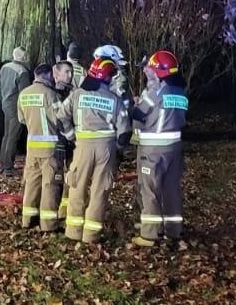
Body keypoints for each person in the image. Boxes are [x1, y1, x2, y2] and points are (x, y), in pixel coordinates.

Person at [62, 46, 130, 243]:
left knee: (76, 186)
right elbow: (124, 132)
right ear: (108, 77)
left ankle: (73, 231)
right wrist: (116, 148)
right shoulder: (114, 99)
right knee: (100, 190)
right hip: (106, 148)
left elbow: (61, 116)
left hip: (82, 145)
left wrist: (71, 136)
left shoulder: (77, 94)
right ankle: (91, 234)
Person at [130, 50, 189, 247]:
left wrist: (136, 102)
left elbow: (138, 114)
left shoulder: (155, 94)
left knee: (150, 190)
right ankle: (173, 230)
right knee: (171, 189)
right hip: (174, 149)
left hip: (153, 151)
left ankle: (149, 234)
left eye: (153, 69)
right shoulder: (181, 94)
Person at [18, 62, 74, 231]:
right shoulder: (51, 95)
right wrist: (70, 136)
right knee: (51, 185)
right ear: (49, 76)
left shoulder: (23, 94)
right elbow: (61, 118)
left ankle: (28, 219)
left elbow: (21, 119)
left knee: (32, 183)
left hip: (32, 148)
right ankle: (48, 224)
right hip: (51, 149)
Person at [0, 47, 35, 175]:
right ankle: (8, 167)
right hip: (16, 107)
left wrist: (3, 99)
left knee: (7, 135)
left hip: (6, 104)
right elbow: (25, 93)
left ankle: (2, 163)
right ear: (24, 57)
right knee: (13, 137)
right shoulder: (22, 72)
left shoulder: (5, 67)